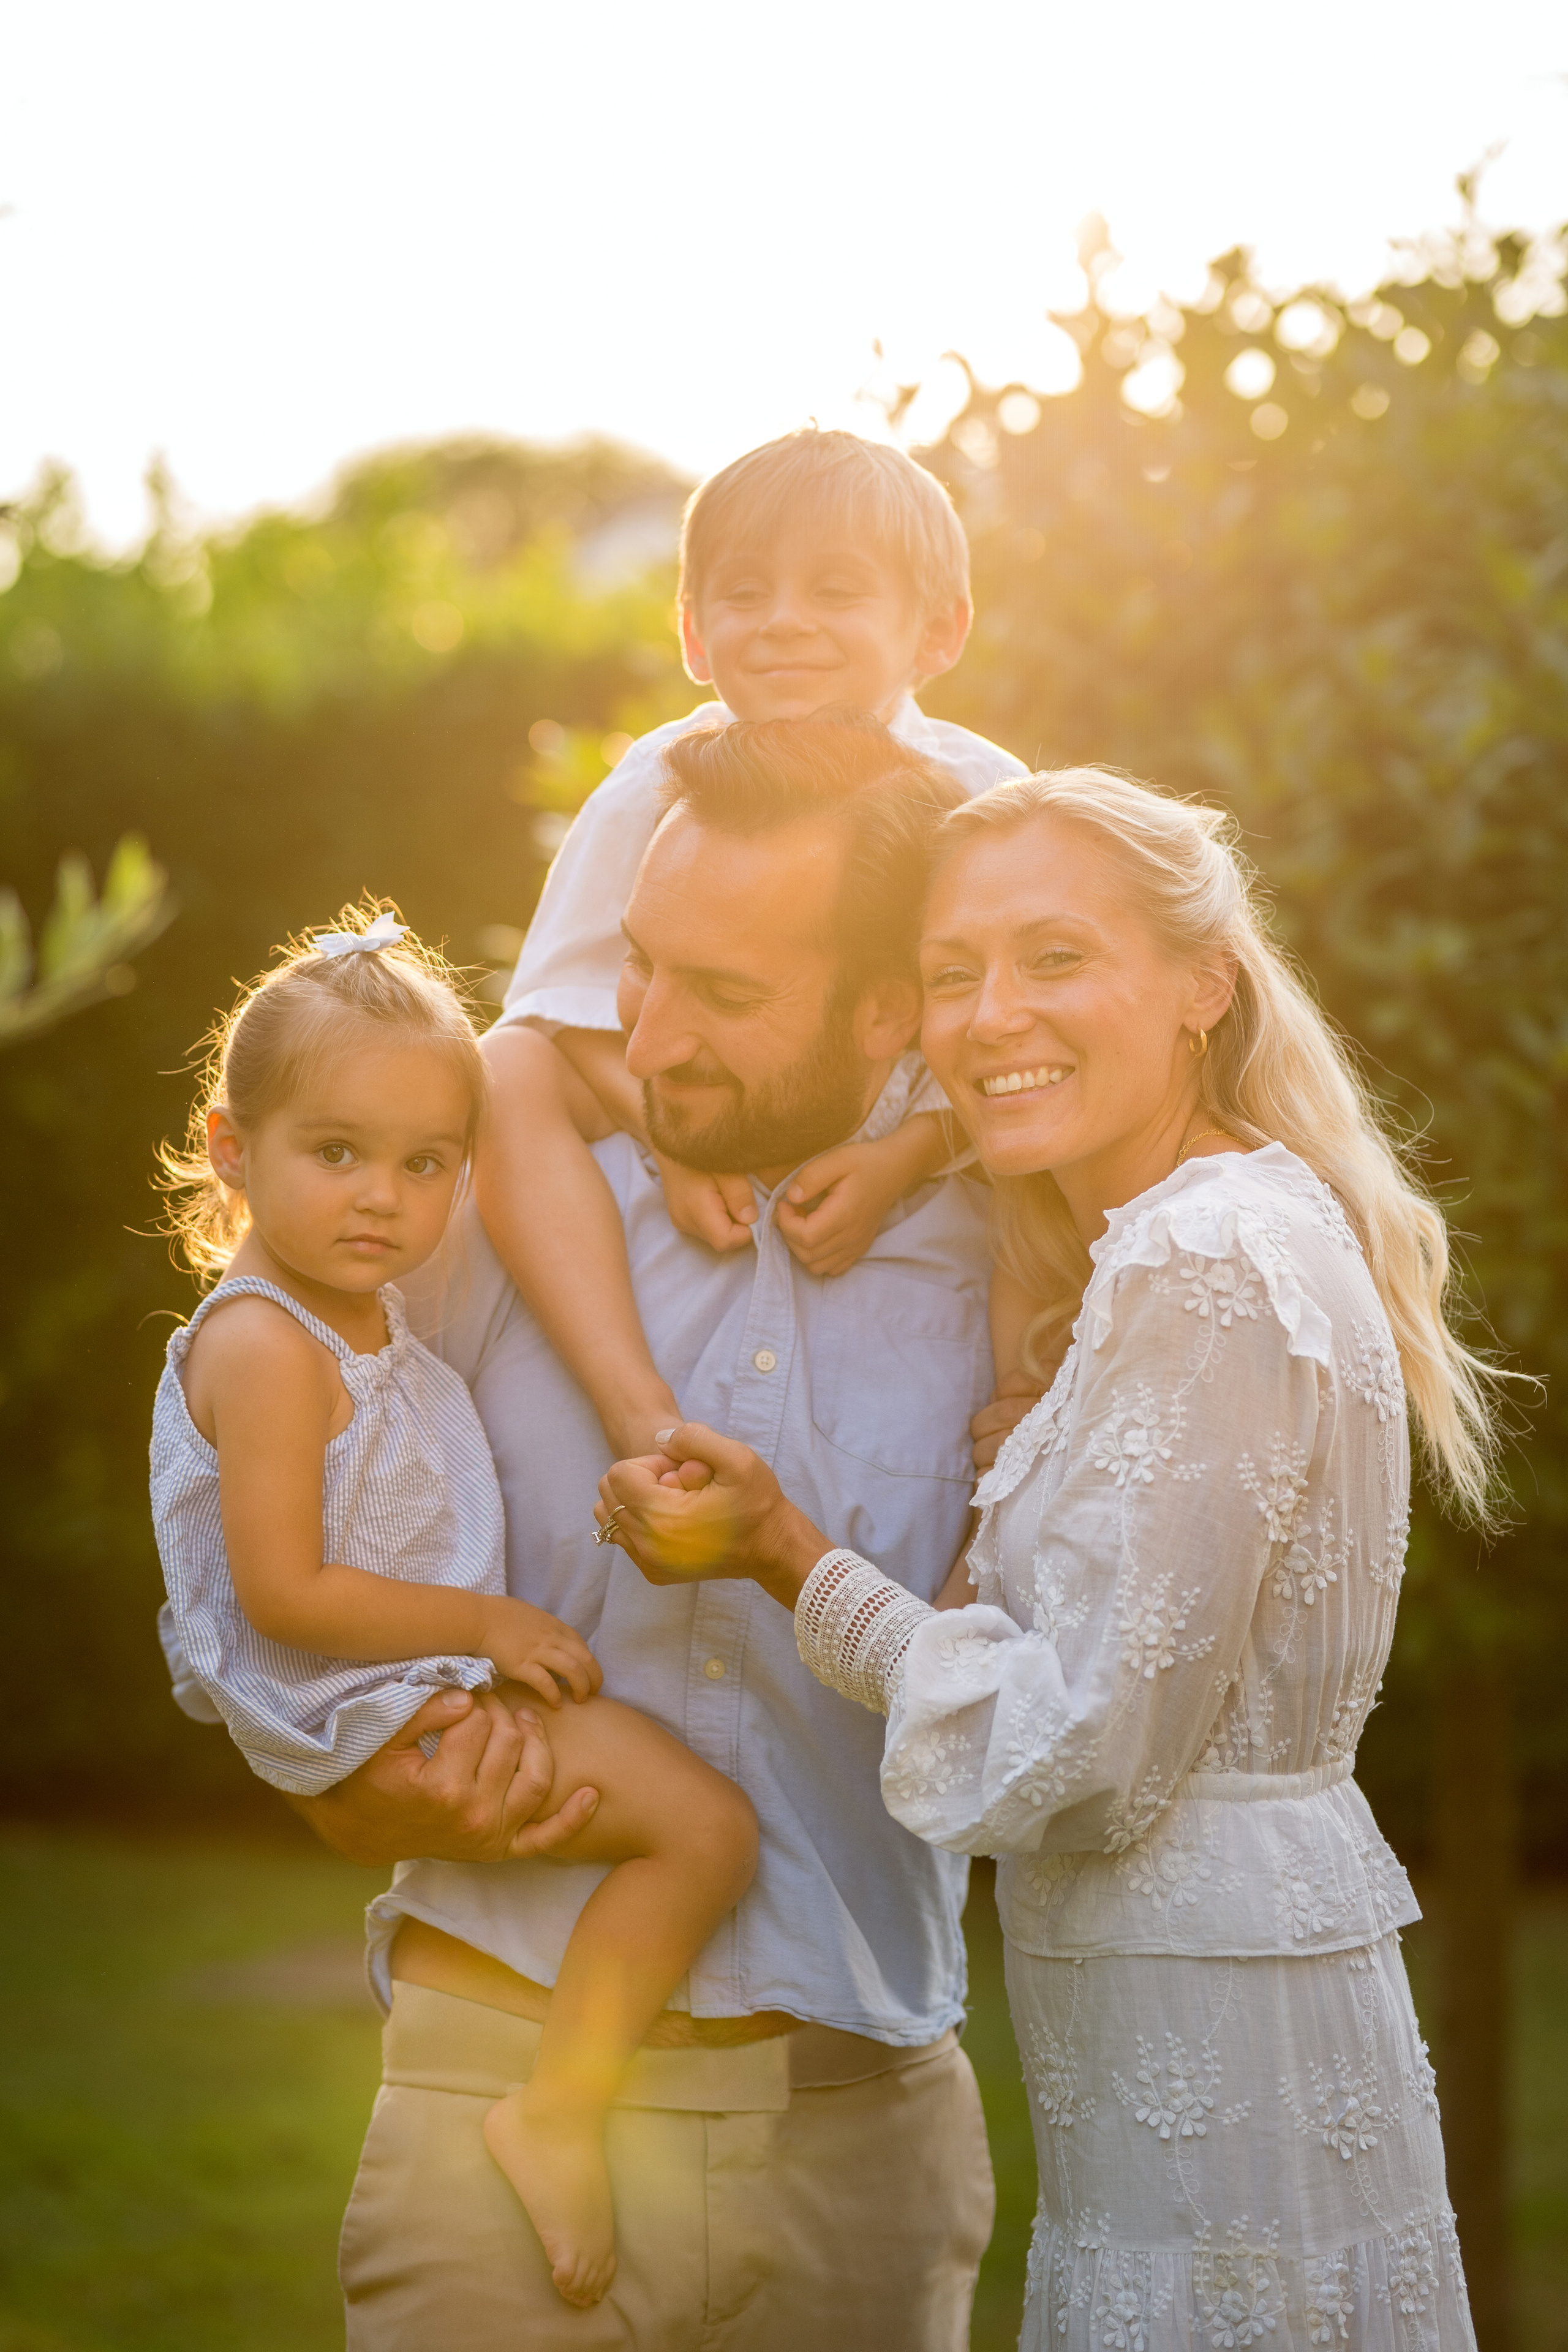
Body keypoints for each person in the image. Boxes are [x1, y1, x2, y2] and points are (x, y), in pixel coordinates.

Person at [597, 768, 1507, 2348]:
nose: (990, 1014)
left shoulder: (1202, 1257)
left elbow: (1076, 1754)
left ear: (1198, 986)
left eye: (1055, 958)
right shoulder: (1199, 1231)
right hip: (1196, 2004)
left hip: (1214, 2045)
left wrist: (785, 1552)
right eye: (954, 974)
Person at [293, 718, 998, 2351]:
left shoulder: (1013, 1267)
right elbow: (258, 1541)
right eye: (647, 968)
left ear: (889, 1010)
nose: (655, 1037)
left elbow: (1049, 1697)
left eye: (728, 997)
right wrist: (344, 1776)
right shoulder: (473, 1208)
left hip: (858, 2150)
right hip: (489, 2105)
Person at [149, 907, 758, 2309]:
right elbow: (281, 1590)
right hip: (361, 1700)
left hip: (403, 1689)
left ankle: (558, 2092)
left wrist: (673, 1152)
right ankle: (557, 2110)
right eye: (337, 1153)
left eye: (428, 1165)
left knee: (696, 1826)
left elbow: (556, 1078)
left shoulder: (355, 1305)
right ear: (235, 1153)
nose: (384, 1199)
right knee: (704, 1829)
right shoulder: (263, 1344)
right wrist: (481, 1631)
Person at [480, 427, 1027, 1462]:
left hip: (921, 1144)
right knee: (501, 1073)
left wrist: (904, 1160)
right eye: (744, 594)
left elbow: (1022, 1046)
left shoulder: (979, 798)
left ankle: (1020, 1414)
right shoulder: (659, 783)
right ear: (692, 633)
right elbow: (559, 1011)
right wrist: (672, 1144)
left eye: (835, 592)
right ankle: (628, 1399)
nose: (784, 624)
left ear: (938, 632)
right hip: (698, 1120)